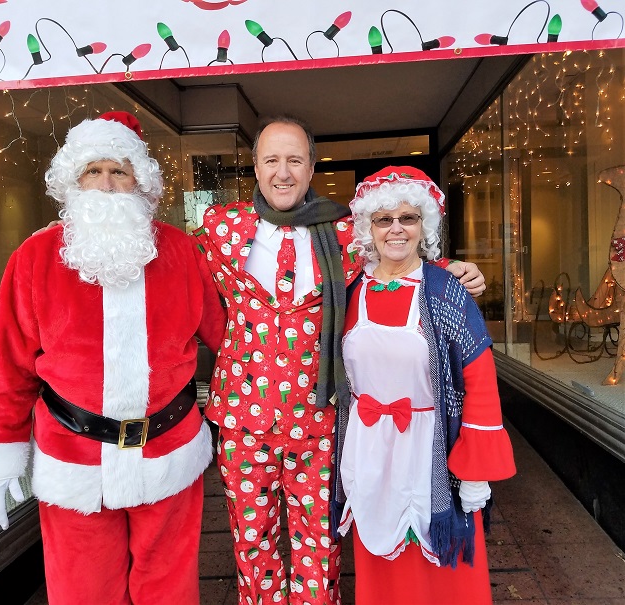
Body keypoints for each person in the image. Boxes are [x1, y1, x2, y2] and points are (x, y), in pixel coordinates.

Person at [192, 116, 487, 605]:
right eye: (271, 160)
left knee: (319, 549)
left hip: (319, 421)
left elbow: (398, 258)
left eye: (294, 160)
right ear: (256, 168)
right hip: (243, 422)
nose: (282, 172)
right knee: (252, 548)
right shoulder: (222, 228)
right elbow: (170, 266)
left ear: (311, 168)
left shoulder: (348, 235)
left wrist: (451, 271)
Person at [0, 112, 225, 605]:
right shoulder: (36, 256)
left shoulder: (182, 253)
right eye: (93, 170)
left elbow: (229, 337)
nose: (107, 185)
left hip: (169, 452)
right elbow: (7, 364)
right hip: (74, 458)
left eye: (120, 170)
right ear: (73, 181)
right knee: (83, 592)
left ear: (141, 182)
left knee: (170, 591)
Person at [337, 166, 516, 605]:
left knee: (445, 573)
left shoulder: (445, 291)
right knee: (384, 568)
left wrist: (475, 470)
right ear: (368, 228)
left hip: (432, 446)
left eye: (408, 218)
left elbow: (481, 381)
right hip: (370, 446)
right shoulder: (349, 291)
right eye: (384, 219)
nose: (396, 229)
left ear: (424, 226)